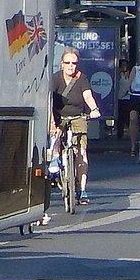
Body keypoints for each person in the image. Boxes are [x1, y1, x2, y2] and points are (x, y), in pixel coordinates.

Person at [50, 47, 101, 205]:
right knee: (56, 137)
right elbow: (49, 99)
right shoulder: (55, 78)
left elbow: (87, 95)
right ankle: (55, 159)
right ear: (62, 64)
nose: (71, 66)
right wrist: (52, 120)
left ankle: (83, 190)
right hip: (59, 116)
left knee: (81, 152)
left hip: (78, 116)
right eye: (68, 63)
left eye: (74, 63)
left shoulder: (82, 78)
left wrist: (94, 109)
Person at [127, 52, 140, 152]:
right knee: (133, 118)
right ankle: (133, 145)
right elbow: (129, 82)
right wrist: (127, 90)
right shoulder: (135, 69)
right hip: (135, 95)